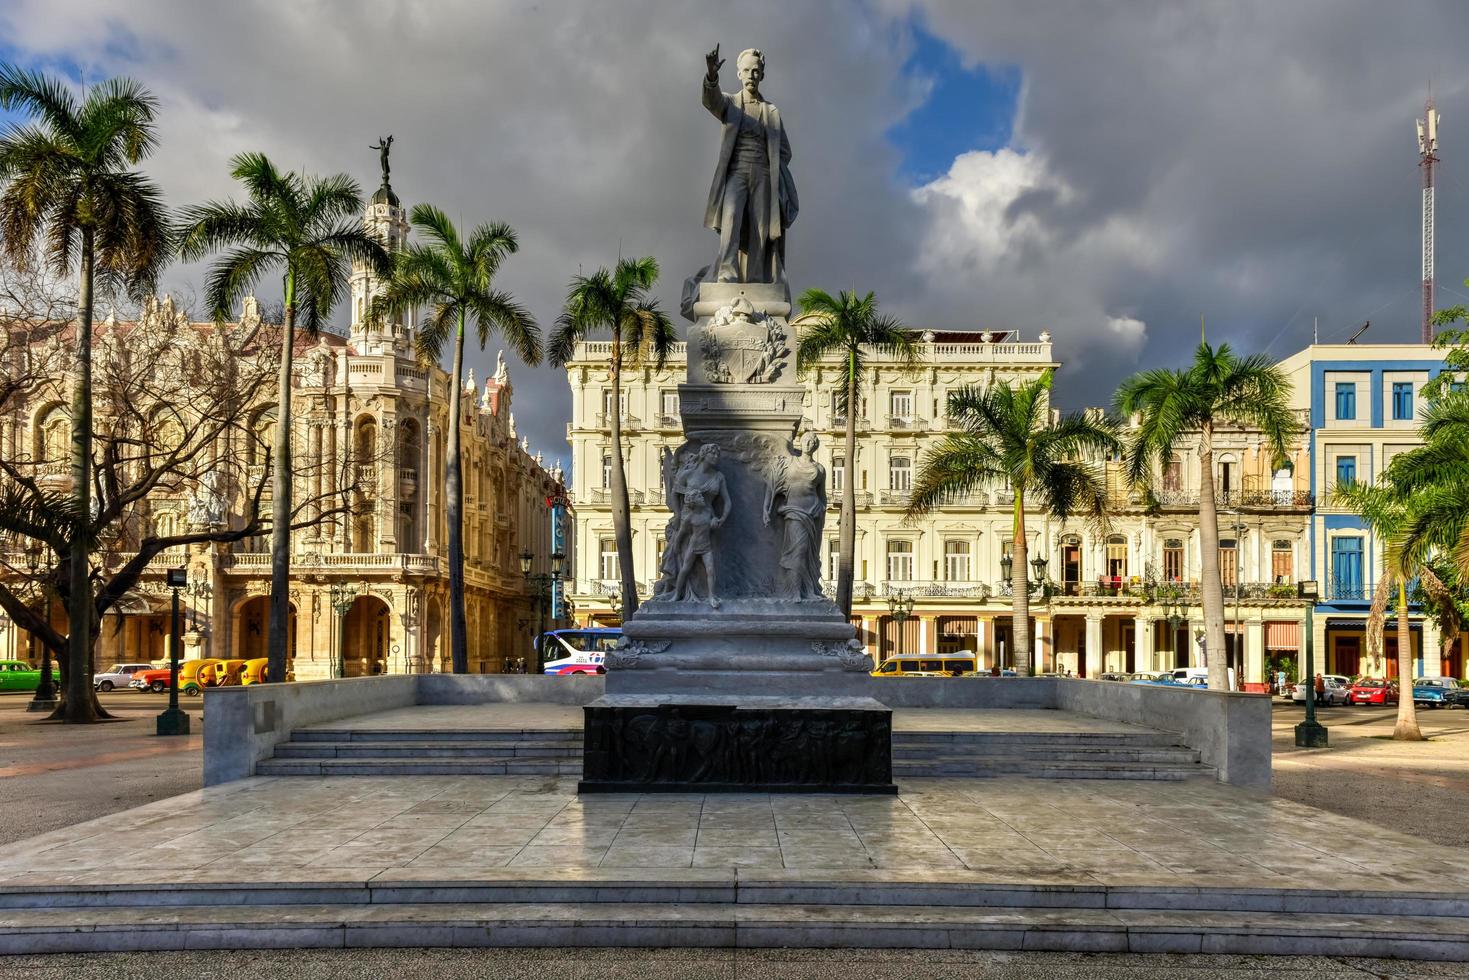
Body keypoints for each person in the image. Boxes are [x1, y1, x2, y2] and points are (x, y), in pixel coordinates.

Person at [701, 44, 798, 284]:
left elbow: (785, 150)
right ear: (739, 73)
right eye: (747, 71)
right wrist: (712, 77)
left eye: (756, 71)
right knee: (731, 219)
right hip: (737, 170)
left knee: (760, 228)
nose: (751, 76)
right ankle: (727, 272)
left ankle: (756, 278)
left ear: (762, 75)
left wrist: (770, 164)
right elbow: (711, 101)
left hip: (764, 174)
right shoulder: (731, 103)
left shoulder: (771, 111)